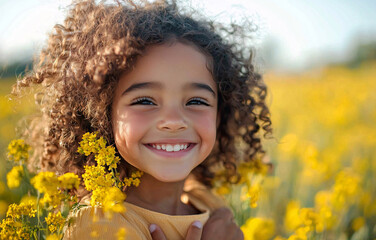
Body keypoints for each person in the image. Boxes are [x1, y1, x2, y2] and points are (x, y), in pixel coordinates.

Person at [13, 0, 272, 239]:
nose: (174, 121)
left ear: (219, 115)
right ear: (102, 117)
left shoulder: (207, 202)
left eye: (196, 101)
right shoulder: (100, 223)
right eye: (145, 101)